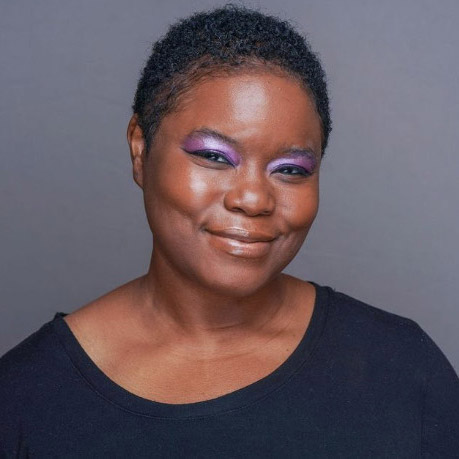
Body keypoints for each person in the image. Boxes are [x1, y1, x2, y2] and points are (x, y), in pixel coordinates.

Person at [1, 5, 458, 457]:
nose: (254, 199)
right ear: (141, 149)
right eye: (215, 157)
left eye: (291, 169)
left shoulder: (401, 369)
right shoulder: (25, 400)